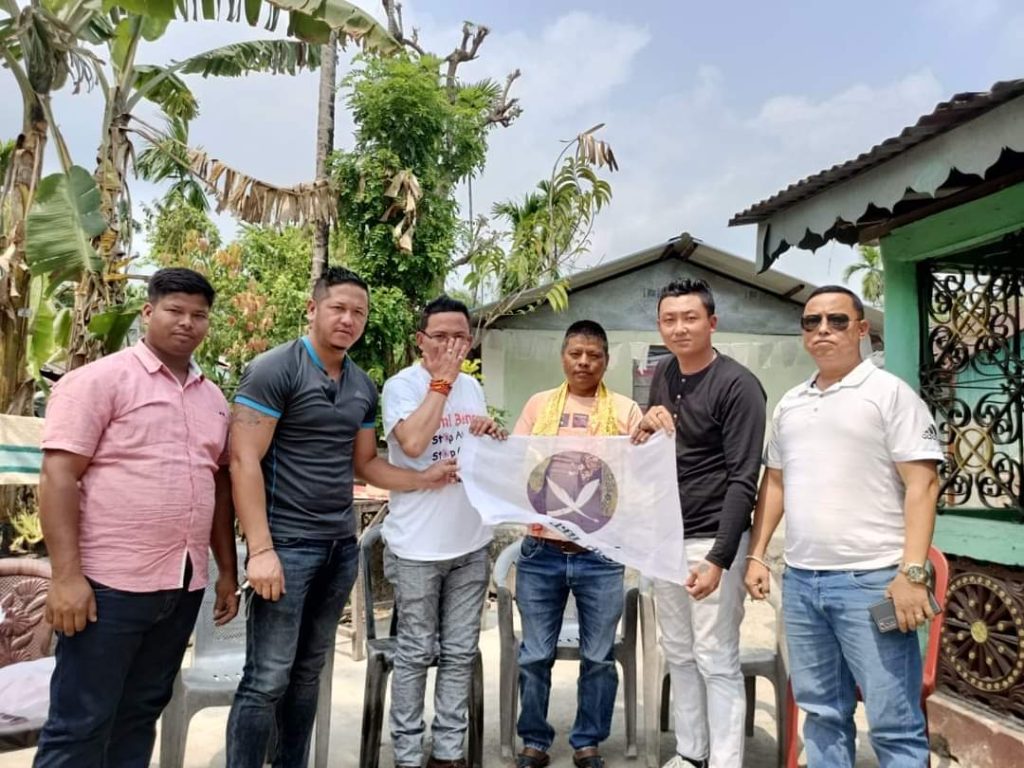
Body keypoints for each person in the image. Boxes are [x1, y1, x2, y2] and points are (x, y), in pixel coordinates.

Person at [224, 267, 456, 767]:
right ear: (313, 309)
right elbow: (242, 461)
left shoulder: (361, 385)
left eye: (359, 312)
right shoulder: (273, 369)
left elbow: (366, 463)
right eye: (338, 308)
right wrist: (260, 550)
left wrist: (423, 478)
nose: (349, 320)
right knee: (267, 677)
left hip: (339, 546)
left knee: (308, 673)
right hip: (285, 546)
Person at [34, 268, 239, 768]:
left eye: (199, 315)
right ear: (148, 312)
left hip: (181, 586)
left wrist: (227, 573)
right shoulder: (99, 381)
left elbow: (217, 487)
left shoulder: (213, 399)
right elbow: (58, 476)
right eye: (175, 311)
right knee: (80, 723)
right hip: (108, 588)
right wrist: (66, 577)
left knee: (140, 713)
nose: (187, 323)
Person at [744, 285, 942, 768]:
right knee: (821, 714)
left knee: (894, 721)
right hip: (802, 584)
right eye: (811, 322)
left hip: (874, 583)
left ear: (861, 329)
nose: (823, 330)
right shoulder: (790, 403)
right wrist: (757, 553)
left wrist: (912, 573)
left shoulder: (889, 394)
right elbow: (775, 483)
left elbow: (924, 484)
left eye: (836, 320)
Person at [631, 278, 766, 768]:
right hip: (667, 537)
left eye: (690, 318)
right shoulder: (665, 373)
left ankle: (726, 761)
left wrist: (719, 559)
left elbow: (743, 480)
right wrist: (646, 423)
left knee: (716, 657)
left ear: (712, 322)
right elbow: (655, 446)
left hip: (711, 538)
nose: (679, 328)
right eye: (669, 319)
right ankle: (691, 753)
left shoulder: (738, 385)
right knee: (680, 653)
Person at [381, 295, 506, 768]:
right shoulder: (402, 386)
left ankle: (449, 752)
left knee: (459, 652)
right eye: (441, 337)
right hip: (417, 548)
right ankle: (408, 754)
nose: (452, 347)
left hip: (470, 543)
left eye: (460, 338)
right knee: (415, 652)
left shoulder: (472, 387)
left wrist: (488, 432)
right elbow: (413, 443)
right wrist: (441, 383)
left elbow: (472, 454)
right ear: (421, 340)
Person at [513, 320, 643, 768]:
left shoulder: (625, 411)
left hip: (601, 555)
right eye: (576, 354)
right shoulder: (539, 406)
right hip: (540, 552)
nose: (584, 362)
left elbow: (643, 472)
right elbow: (516, 462)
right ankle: (534, 740)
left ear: (606, 361)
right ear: (563, 357)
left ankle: (588, 741)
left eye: (594, 355)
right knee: (534, 654)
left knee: (599, 657)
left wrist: (658, 431)